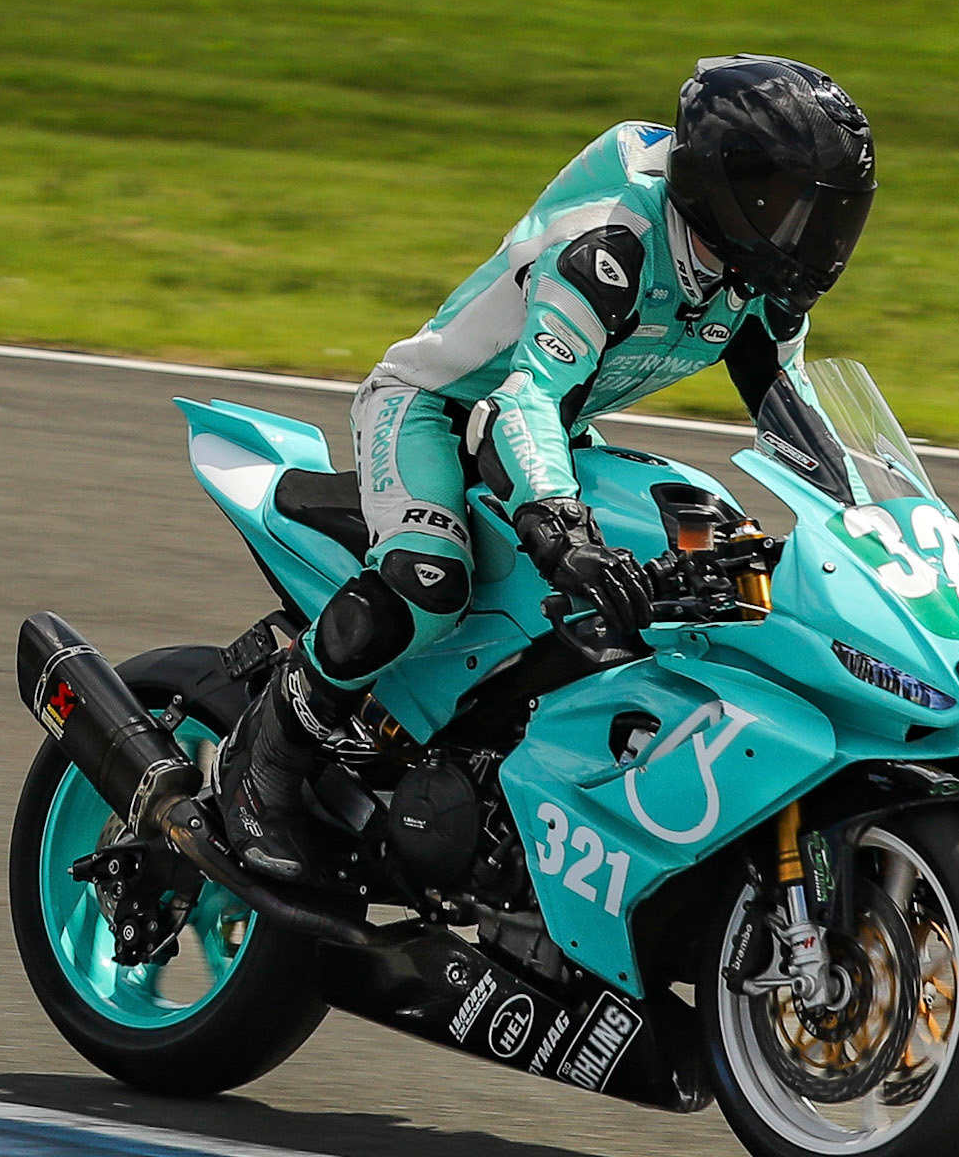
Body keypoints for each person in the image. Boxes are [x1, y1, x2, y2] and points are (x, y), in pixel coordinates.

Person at [213, 52, 877, 880]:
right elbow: (527, 395)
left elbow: (795, 411)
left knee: (659, 596)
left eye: (833, 216)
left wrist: (860, 526)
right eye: (799, 210)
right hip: (436, 410)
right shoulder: (614, 243)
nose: (817, 239)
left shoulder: (754, 280)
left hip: (551, 429)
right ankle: (262, 765)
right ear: (729, 189)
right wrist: (563, 530)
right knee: (428, 577)